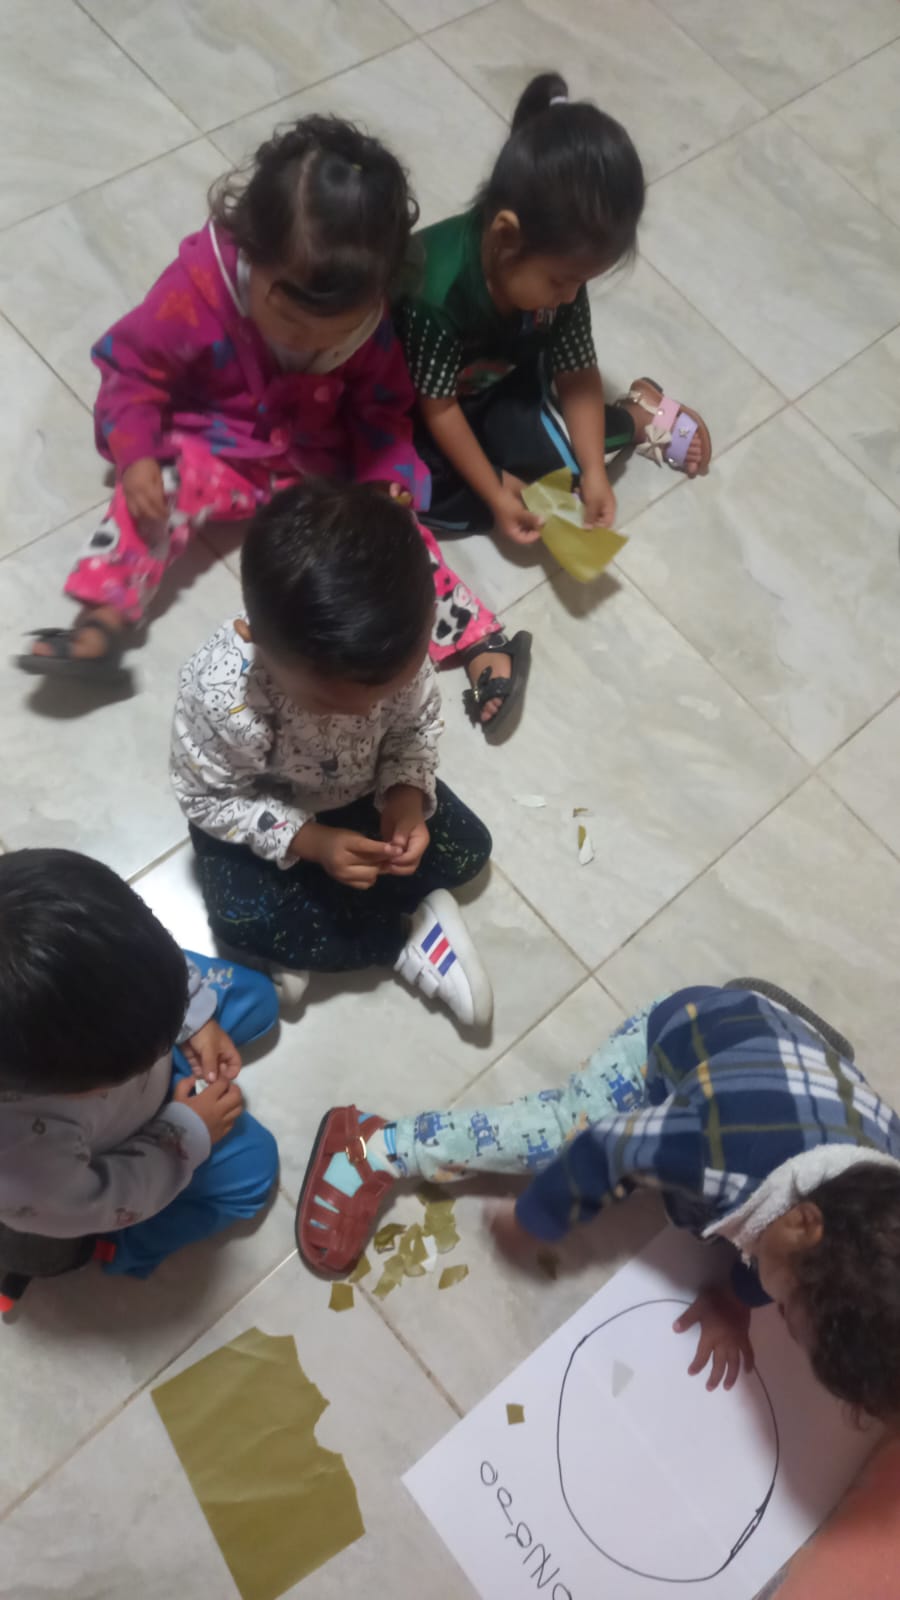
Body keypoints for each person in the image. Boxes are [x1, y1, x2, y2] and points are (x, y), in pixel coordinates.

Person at [19, 115, 500, 705]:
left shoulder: (370, 321)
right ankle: (102, 623)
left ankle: (477, 641)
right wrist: (136, 452)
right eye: (291, 320)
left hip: (314, 465)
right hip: (214, 449)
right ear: (249, 249)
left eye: (337, 330)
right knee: (154, 490)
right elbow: (133, 369)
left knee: (390, 530)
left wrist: (386, 479)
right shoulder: (196, 290)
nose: (309, 341)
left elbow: (382, 409)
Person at [296, 982, 900, 1425]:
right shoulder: (715, 1150)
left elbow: (803, 1267)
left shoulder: (881, 1185)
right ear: (801, 1222)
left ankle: (770, 1021)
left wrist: (735, 1299)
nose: (779, 1316)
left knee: (768, 1241)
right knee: (559, 1134)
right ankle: (376, 1146)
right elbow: (609, 1150)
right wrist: (536, 1218)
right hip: (674, 1042)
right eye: (786, 1308)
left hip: (802, 1076)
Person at [396, 71, 712, 734]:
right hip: (431, 403)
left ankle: (639, 416)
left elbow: (575, 372)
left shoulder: (560, 278)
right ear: (504, 236)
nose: (569, 296)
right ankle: (509, 477)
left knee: (565, 473)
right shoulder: (435, 290)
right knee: (425, 502)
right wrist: (494, 489)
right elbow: (437, 409)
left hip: (507, 386)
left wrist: (594, 471)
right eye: (561, 282)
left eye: (580, 284)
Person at [171, 478, 493, 1028]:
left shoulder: (394, 651)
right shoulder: (222, 694)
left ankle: (320, 931)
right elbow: (207, 799)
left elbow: (414, 728)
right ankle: (400, 940)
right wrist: (308, 841)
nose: (365, 712)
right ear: (256, 639)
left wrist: (405, 799)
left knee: (469, 850)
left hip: (360, 791)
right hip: (263, 813)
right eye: (329, 704)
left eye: (391, 688)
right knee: (238, 919)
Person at [0, 847, 279, 1279]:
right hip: (118, 1157)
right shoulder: (24, 1163)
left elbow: (142, 953)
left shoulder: (41, 914)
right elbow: (103, 1198)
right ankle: (120, 1246)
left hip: (118, 1055)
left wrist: (192, 1015)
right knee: (253, 1168)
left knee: (258, 999)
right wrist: (185, 1133)